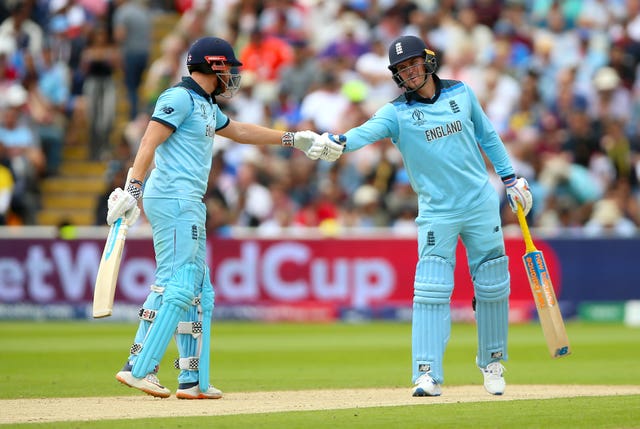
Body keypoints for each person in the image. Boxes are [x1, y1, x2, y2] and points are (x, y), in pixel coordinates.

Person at [105, 36, 344, 400]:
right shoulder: (178, 98)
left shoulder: (205, 105)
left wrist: (295, 138)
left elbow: (242, 131)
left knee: (200, 291)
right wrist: (132, 189)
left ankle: (192, 379)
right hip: (173, 197)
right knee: (179, 282)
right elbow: (148, 143)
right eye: (228, 68)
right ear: (213, 66)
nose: (232, 76)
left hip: (188, 200)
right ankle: (140, 367)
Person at [332, 35, 532, 397]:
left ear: (427, 61)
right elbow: (364, 132)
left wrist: (511, 179)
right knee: (431, 289)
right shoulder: (397, 112)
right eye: (400, 69)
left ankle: (492, 361)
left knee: (492, 283)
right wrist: (338, 142)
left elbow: (489, 137)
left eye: (411, 64)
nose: (407, 73)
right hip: (438, 212)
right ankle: (426, 373)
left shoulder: (461, 93)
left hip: (480, 203)